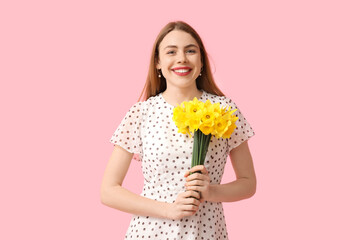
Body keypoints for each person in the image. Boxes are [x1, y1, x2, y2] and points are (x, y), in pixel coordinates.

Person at [100, 20, 256, 239]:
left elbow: (248, 184)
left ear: (201, 61)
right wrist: (168, 209)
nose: (182, 58)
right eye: (171, 51)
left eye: (190, 51)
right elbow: (108, 191)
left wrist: (210, 192)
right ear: (158, 62)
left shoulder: (224, 110)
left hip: (206, 232)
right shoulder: (141, 113)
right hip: (149, 232)